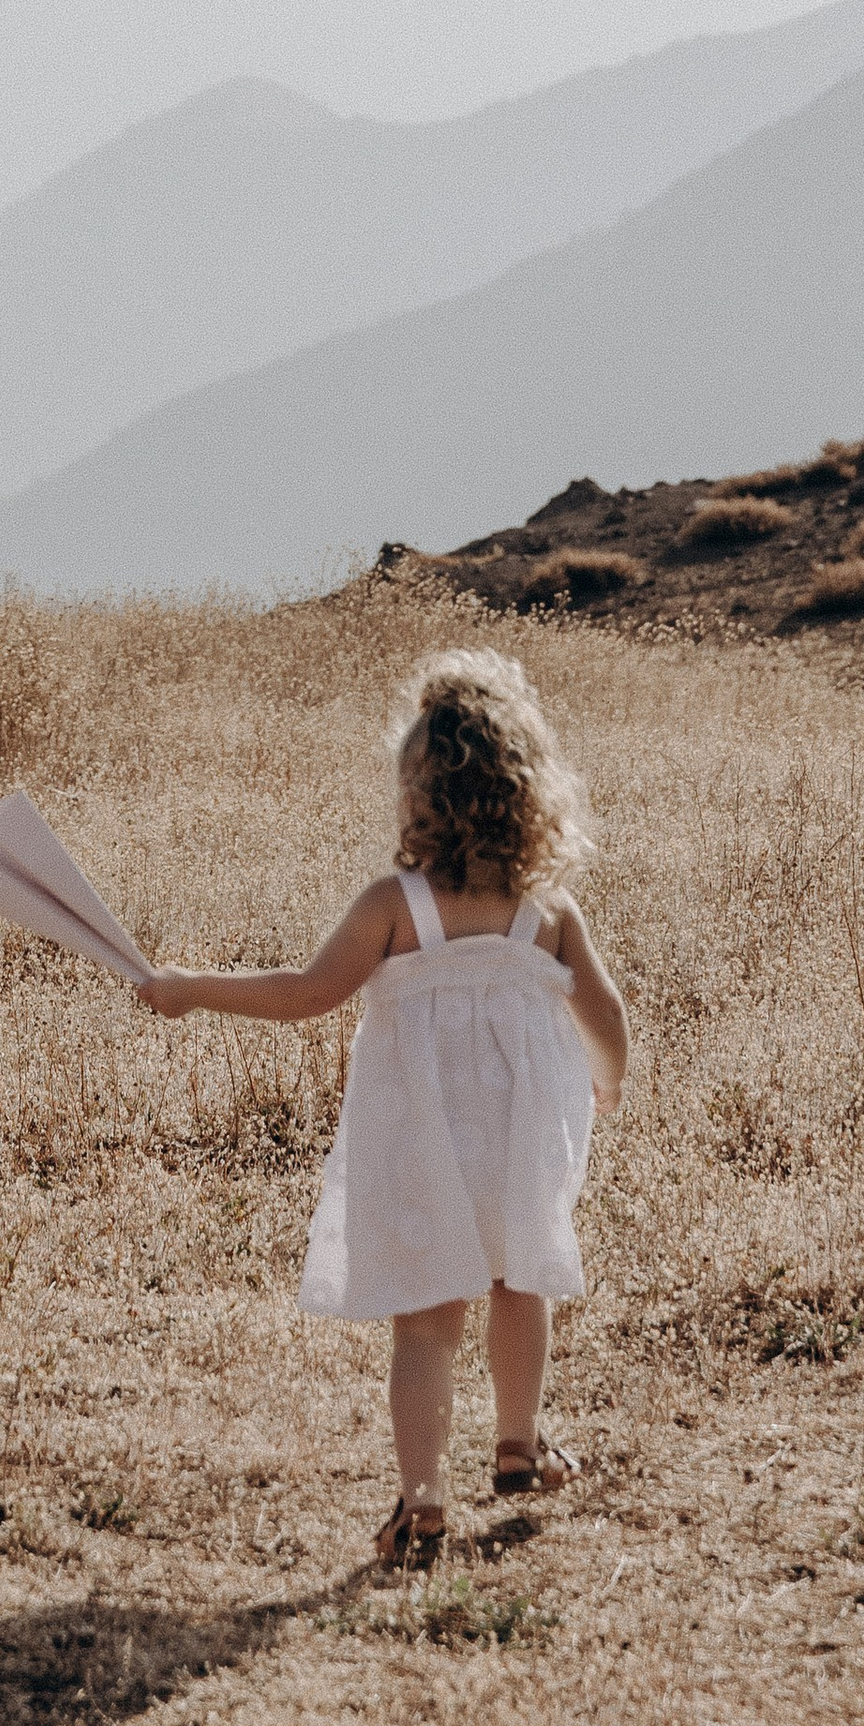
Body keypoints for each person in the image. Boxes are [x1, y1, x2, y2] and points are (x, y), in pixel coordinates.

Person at [135, 647, 629, 1567]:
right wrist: (607, 1081)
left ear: (419, 796)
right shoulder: (548, 910)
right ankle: (519, 1445)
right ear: (529, 791)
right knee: (521, 1278)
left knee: (429, 1317)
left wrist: (194, 987)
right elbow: (605, 1013)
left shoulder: (394, 906)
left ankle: (423, 1503)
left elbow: (308, 992)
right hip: (520, 1134)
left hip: (423, 1135)